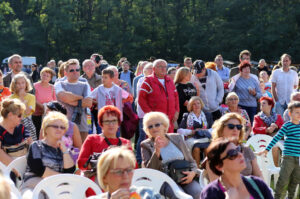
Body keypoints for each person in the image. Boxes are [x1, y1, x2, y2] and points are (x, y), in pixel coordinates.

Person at [141, 112, 201, 199]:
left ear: (165, 126)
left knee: (198, 192)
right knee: (180, 196)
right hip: (164, 181)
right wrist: (157, 152)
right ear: (147, 130)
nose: (154, 128)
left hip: (184, 177)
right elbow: (149, 171)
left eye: (157, 124)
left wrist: (193, 173)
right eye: (150, 126)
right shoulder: (146, 145)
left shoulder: (177, 138)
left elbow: (191, 161)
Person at [77, 105, 132, 196]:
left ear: (118, 123)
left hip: (121, 180)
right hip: (97, 182)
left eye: (114, 121)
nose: (111, 124)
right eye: (107, 121)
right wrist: (104, 159)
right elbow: (81, 163)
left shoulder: (125, 142)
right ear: (101, 124)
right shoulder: (92, 139)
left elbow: (134, 166)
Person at [21, 111, 75, 199]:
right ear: (46, 129)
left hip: (57, 188)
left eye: (62, 127)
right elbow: (38, 168)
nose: (59, 129)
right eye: (55, 126)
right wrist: (61, 178)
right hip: (34, 187)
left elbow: (69, 172)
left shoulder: (64, 150)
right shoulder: (36, 146)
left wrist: (65, 151)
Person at [200, 138, 273, 199]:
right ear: (219, 166)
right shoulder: (210, 193)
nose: (240, 155)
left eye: (239, 150)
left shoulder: (258, 184)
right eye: (232, 154)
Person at [259, 101, 300, 199]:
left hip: (299, 159)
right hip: (288, 157)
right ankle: (277, 197)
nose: (299, 114)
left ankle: (290, 197)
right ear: (290, 114)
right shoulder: (287, 126)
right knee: (283, 180)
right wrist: (267, 149)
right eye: (297, 112)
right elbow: (276, 138)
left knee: (295, 180)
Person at [207, 113, 263, 182]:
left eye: (239, 127)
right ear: (221, 129)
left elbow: (259, 175)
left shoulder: (246, 149)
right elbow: (217, 184)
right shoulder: (214, 153)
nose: (235, 129)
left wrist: (261, 188)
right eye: (231, 126)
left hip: (252, 189)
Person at [88, 147, 160, 199]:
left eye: (129, 170)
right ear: (104, 177)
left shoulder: (147, 194)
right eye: (118, 171)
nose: (125, 176)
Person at [54, 59, 92, 141]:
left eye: (77, 70)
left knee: (81, 150)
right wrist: (81, 98)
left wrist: (70, 100)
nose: (75, 72)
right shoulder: (59, 84)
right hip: (63, 124)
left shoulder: (85, 85)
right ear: (65, 73)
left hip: (82, 124)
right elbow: (64, 97)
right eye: (72, 70)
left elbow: (89, 103)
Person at [138, 59, 179, 133]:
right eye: (160, 66)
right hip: (156, 121)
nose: (163, 69)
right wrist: (151, 115)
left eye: (165, 67)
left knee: (168, 141)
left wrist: (177, 111)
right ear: (154, 69)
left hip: (170, 120)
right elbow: (141, 99)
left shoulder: (170, 81)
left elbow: (176, 97)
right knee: (157, 142)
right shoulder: (148, 81)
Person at [89, 68, 131, 134]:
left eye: (106, 77)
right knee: (102, 135)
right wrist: (97, 102)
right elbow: (90, 97)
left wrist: (120, 101)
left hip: (115, 116)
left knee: (115, 135)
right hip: (103, 116)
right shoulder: (99, 89)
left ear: (111, 79)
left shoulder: (118, 89)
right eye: (102, 77)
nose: (103, 79)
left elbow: (129, 97)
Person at [177, 96, 211, 167]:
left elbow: (214, 128)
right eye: (194, 104)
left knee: (207, 148)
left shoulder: (207, 115)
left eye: (198, 103)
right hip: (192, 138)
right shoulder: (186, 116)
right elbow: (179, 130)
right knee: (196, 148)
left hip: (204, 138)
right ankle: (196, 169)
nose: (196, 105)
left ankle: (208, 169)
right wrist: (192, 132)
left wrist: (205, 130)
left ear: (201, 104)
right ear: (191, 106)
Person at [0, 98, 32, 165]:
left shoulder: (21, 128)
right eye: (19, 115)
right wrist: (17, 168)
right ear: (10, 115)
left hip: (24, 165)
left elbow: (31, 144)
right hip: (7, 169)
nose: (22, 118)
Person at [9, 74, 37, 140]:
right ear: (14, 85)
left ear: (26, 84)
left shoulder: (31, 97)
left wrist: (21, 98)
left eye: (23, 83)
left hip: (28, 127)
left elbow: (27, 112)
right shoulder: (10, 98)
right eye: (18, 83)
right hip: (14, 126)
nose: (21, 85)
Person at [136, 63, 153, 165]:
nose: (152, 70)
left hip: (153, 113)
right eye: (150, 69)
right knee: (143, 136)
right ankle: (139, 158)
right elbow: (143, 98)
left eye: (153, 69)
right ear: (144, 71)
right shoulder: (142, 80)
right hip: (144, 113)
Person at [32, 67, 56, 137]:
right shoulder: (35, 86)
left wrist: (47, 108)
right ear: (40, 75)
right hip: (36, 115)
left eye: (47, 76)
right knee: (37, 133)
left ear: (50, 78)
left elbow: (54, 101)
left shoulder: (52, 87)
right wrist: (43, 107)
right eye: (44, 75)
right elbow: (33, 99)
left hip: (48, 115)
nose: (45, 77)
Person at [81, 59, 102, 134]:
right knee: (88, 128)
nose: (89, 67)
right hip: (86, 109)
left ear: (95, 67)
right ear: (83, 68)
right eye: (87, 66)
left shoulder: (102, 79)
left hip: (99, 108)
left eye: (92, 65)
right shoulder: (80, 80)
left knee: (100, 128)